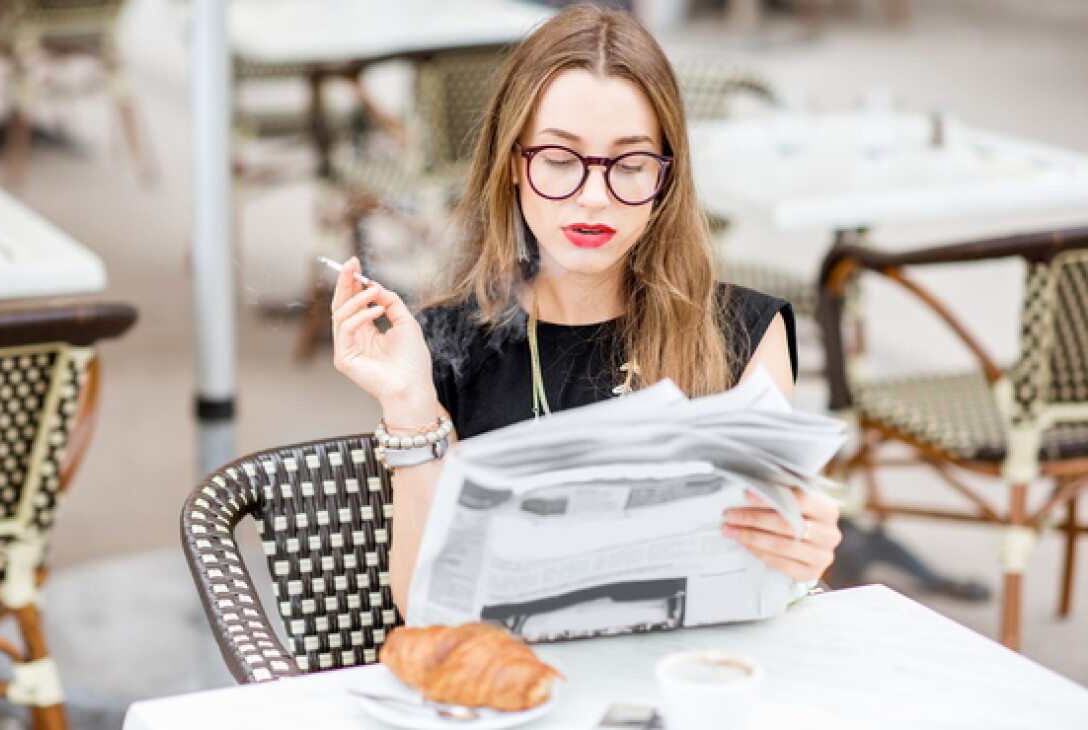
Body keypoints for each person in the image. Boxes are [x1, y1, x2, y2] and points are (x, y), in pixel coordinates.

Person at [330, 4, 841, 612]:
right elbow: (421, 607)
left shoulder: (743, 335)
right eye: (558, 159)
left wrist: (800, 555)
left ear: (666, 178)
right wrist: (410, 406)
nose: (594, 197)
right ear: (513, 164)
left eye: (630, 164)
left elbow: (770, 581)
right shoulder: (446, 346)